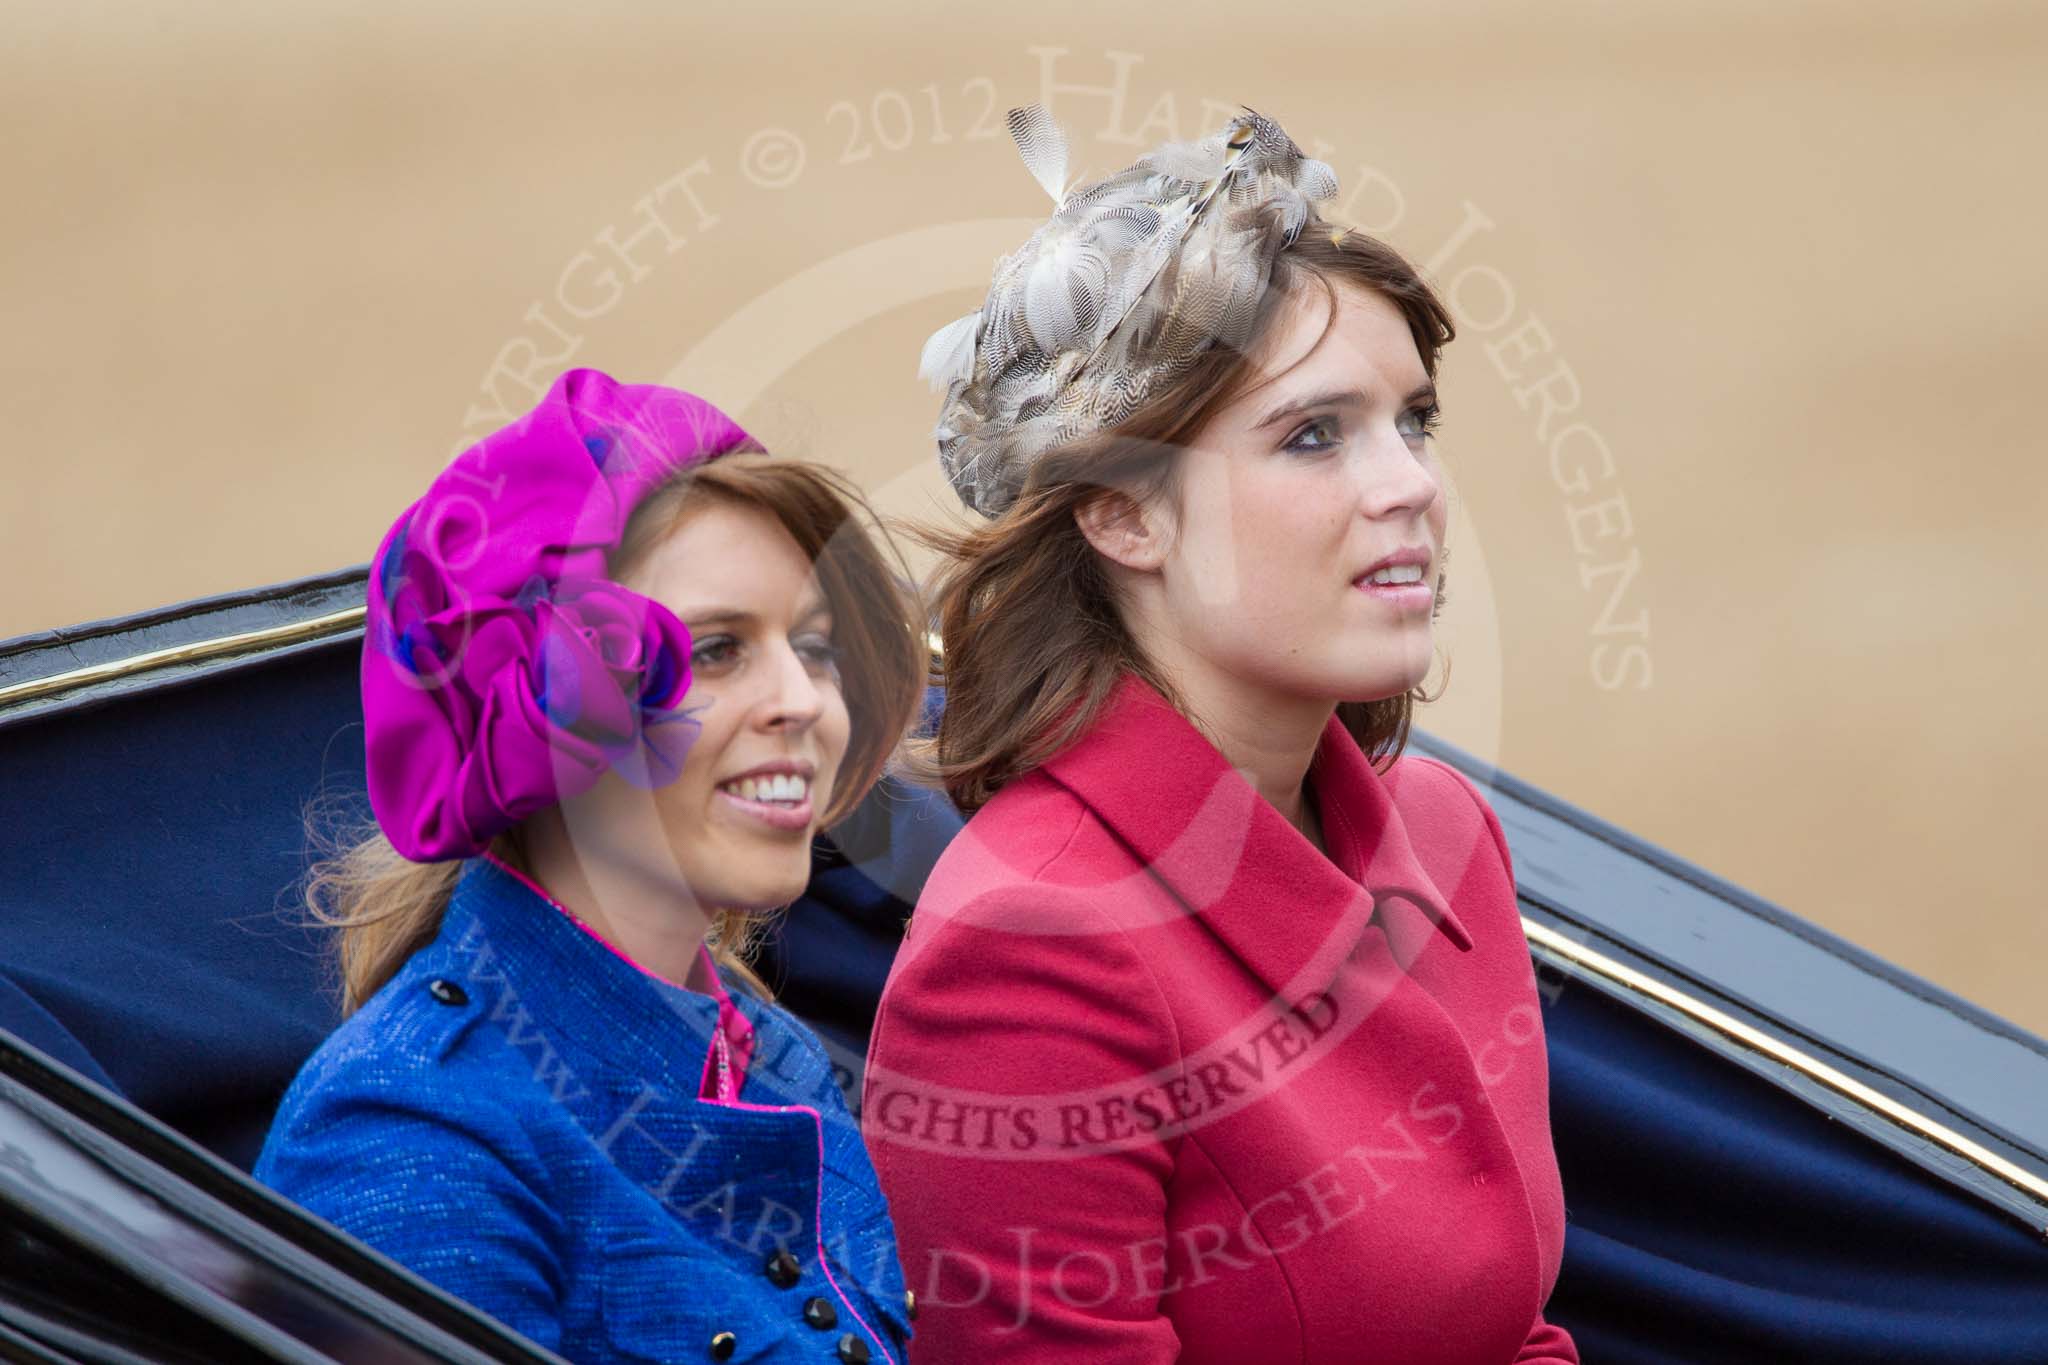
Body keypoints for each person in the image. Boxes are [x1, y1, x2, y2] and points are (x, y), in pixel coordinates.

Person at [861, 107, 1580, 1363]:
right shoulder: (1031, 943)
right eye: (1313, 434)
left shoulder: (1444, 836)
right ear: (1121, 518)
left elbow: (1511, 1333)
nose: (1407, 483)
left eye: (1411, 420)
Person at [256, 368, 925, 1363]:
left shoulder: (767, 1057)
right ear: (539, 714)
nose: (804, 700)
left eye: (815, 647)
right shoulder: (410, 1135)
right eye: (714, 652)